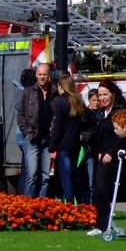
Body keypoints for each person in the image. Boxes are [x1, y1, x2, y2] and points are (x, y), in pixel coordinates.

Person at [88, 80, 126, 236]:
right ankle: (101, 225)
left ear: (113, 94)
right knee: (99, 191)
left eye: (105, 94)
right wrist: (100, 151)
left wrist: (110, 153)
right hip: (103, 156)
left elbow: (122, 135)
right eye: (100, 95)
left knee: (109, 190)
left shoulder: (120, 110)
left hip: (116, 157)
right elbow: (99, 134)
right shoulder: (102, 112)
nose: (102, 98)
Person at [47, 74, 91, 204]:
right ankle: (82, 205)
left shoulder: (59, 103)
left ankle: (70, 206)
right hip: (75, 145)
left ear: (61, 87)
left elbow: (57, 127)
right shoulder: (77, 101)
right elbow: (91, 118)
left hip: (64, 146)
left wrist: (52, 146)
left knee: (66, 178)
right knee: (74, 177)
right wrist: (80, 128)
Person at [18, 63, 54, 197]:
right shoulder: (27, 93)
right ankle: (28, 207)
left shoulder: (54, 92)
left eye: (45, 74)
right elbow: (20, 115)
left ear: (49, 75)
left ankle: (42, 206)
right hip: (32, 139)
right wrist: (26, 132)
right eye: (40, 74)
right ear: (36, 75)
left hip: (47, 140)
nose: (42, 77)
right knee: (32, 175)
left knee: (45, 177)